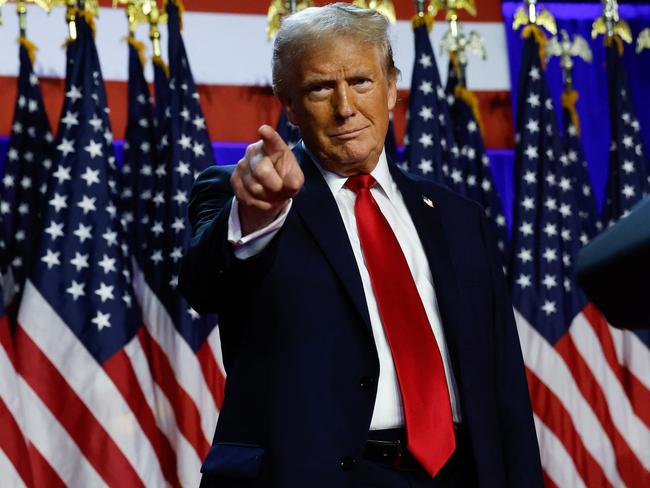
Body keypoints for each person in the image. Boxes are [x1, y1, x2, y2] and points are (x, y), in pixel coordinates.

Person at [179, 4, 543, 487]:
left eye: (361, 82)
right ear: (288, 104)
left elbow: (504, 390)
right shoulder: (247, 196)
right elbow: (203, 284)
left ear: (392, 87)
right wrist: (257, 216)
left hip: (458, 474)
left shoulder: (459, 219)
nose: (345, 106)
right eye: (320, 88)